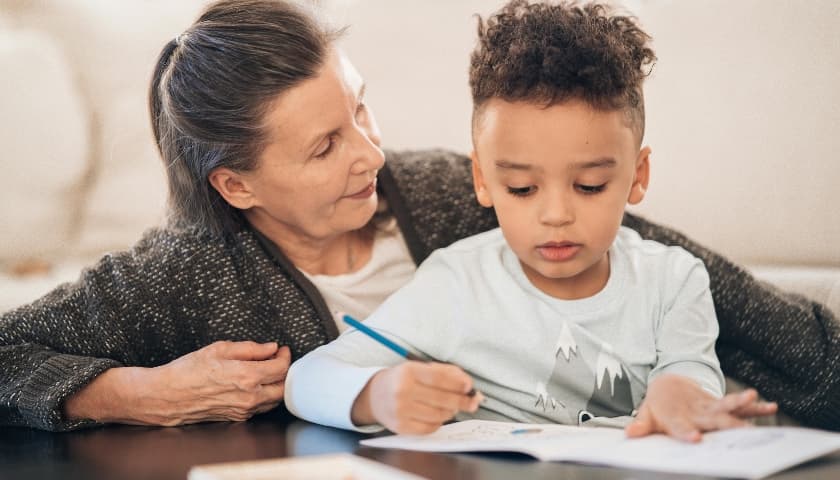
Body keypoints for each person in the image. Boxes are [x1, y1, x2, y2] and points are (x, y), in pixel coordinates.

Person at [0, 0, 837, 434]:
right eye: (326, 147)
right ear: (238, 188)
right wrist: (136, 394)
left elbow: (681, 275)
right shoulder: (182, 273)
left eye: (361, 111)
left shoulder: (447, 193)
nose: (371, 155)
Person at [283, 0, 780, 441]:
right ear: (482, 180)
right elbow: (307, 379)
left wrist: (679, 393)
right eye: (521, 188)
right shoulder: (455, 285)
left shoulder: (674, 280)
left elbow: (691, 369)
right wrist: (378, 393)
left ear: (637, 175)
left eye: (589, 186)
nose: (557, 215)